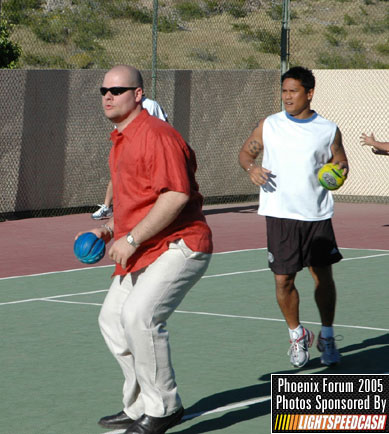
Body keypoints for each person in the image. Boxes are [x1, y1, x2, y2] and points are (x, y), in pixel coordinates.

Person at [79, 65, 213, 434]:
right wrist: (110, 230)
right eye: (103, 90)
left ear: (138, 94)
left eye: (117, 90)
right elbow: (137, 200)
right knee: (112, 321)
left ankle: (165, 407)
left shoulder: (156, 135)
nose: (107, 95)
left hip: (180, 244)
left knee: (140, 316)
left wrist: (132, 238)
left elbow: (176, 195)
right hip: (145, 247)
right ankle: (140, 404)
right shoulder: (122, 139)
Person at [238, 66, 349, 368]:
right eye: (284, 91)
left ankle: (327, 335)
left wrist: (339, 172)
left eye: (293, 91)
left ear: (309, 93)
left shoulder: (328, 129)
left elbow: (340, 162)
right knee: (283, 279)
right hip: (279, 214)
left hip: (316, 215)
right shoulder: (269, 125)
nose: (287, 97)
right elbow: (246, 154)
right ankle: (297, 335)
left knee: (322, 276)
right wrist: (252, 169)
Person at [91, 98, 169, 220]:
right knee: (117, 174)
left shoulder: (151, 105)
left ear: (138, 92)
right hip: (128, 146)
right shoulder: (124, 105)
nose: (110, 96)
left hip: (148, 149)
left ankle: (153, 209)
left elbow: (164, 125)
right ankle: (107, 207)